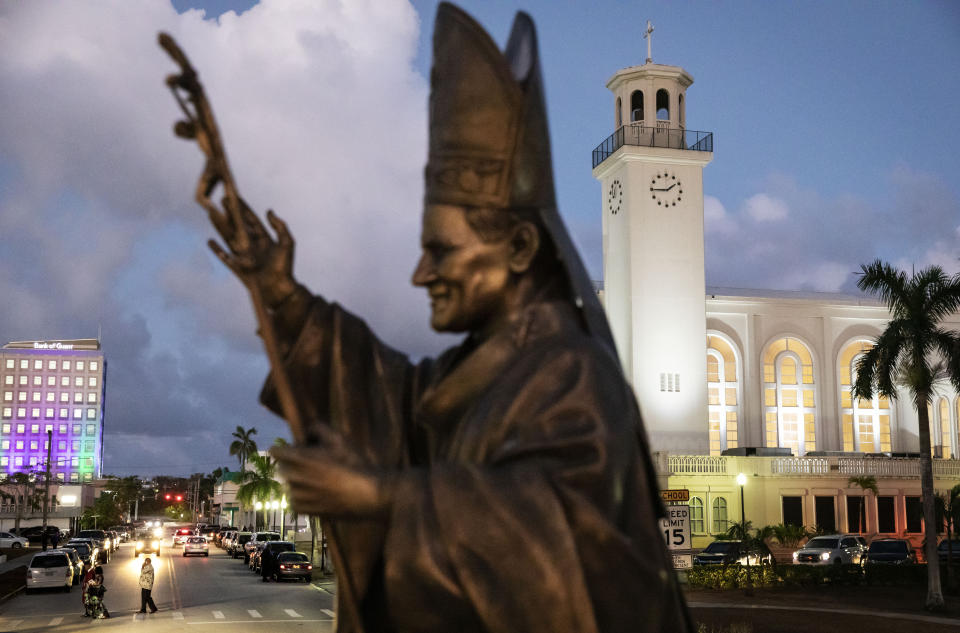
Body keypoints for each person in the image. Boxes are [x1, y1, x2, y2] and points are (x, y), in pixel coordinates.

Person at [199, 4, 691, 632]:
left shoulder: (574, 375)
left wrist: (383, 497)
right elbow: (394, 395)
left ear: (518, 248)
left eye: (442, 252)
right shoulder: (488, 367)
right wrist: (286, 298)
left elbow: (558, 533)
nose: (420, 275)